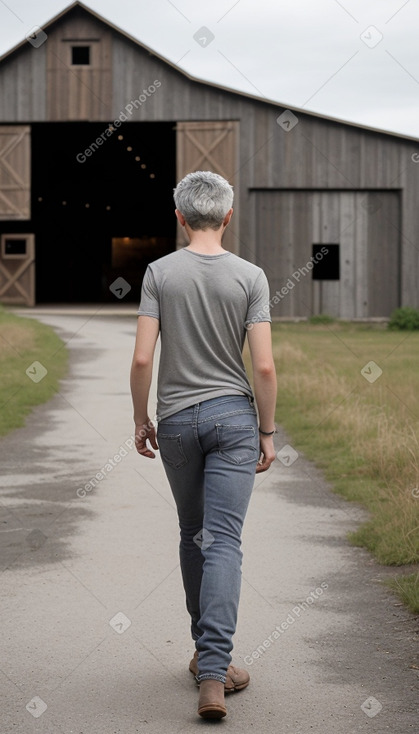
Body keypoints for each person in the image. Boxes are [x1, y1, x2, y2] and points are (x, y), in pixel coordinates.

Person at [130, 170, 277, 719]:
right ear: (228, 216)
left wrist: (140, 418)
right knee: (224, 541)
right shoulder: (252, 277)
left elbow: (143, 357)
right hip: (235, 421)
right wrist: (266, 431)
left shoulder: (158, 273)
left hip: (176, 422)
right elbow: (262, 364)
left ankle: (205, 657)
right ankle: (215, 670)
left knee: (194, 536)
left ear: (179, 217)